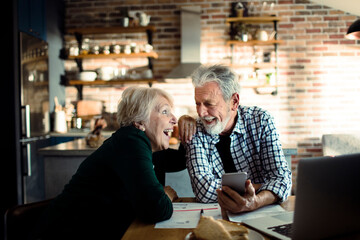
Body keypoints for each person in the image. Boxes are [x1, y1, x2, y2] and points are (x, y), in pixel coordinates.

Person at [31, 86, 178, 240]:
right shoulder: (131, 142)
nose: (174, 119)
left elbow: (178, 160)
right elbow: (156, 209)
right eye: (164, 111)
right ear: (140, 121)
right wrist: (166, 195)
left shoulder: (136, 143)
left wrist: (192, 127)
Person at [183, 64, 292, 213]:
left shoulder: (261, 121)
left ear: (234, 101)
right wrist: (261, 186)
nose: (201, 113)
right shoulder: (195, 130)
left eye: (209, 104)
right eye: (197, 103)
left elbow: (283, 180)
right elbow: (204, 190)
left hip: (263, 212)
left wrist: (255, 202)